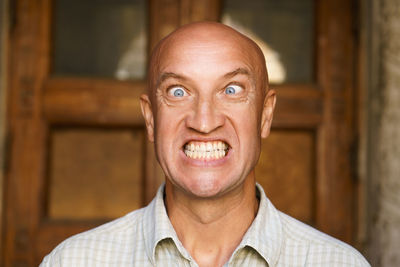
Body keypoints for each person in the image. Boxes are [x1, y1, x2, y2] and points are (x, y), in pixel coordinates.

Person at [40, 22, 370, 267]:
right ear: (151, 119)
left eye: (232, 90)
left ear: (265, 115)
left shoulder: (339, 263)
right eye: (178, 92)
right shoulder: (73, 261)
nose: (203, 120)